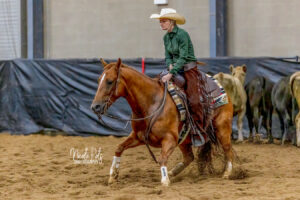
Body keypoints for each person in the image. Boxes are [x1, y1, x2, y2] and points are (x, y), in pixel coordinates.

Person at [150, 8, 214, 135]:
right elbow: (168, 56)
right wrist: (169, 66)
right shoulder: (166, 38)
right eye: (160, 21)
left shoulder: (182, 35)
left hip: (188, 70)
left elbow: (183, 57)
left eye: (164, 21)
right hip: (174, 69)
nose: (161, 23)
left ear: (172, 22)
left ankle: (199, 129)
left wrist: (171, 73)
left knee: (194, 100)